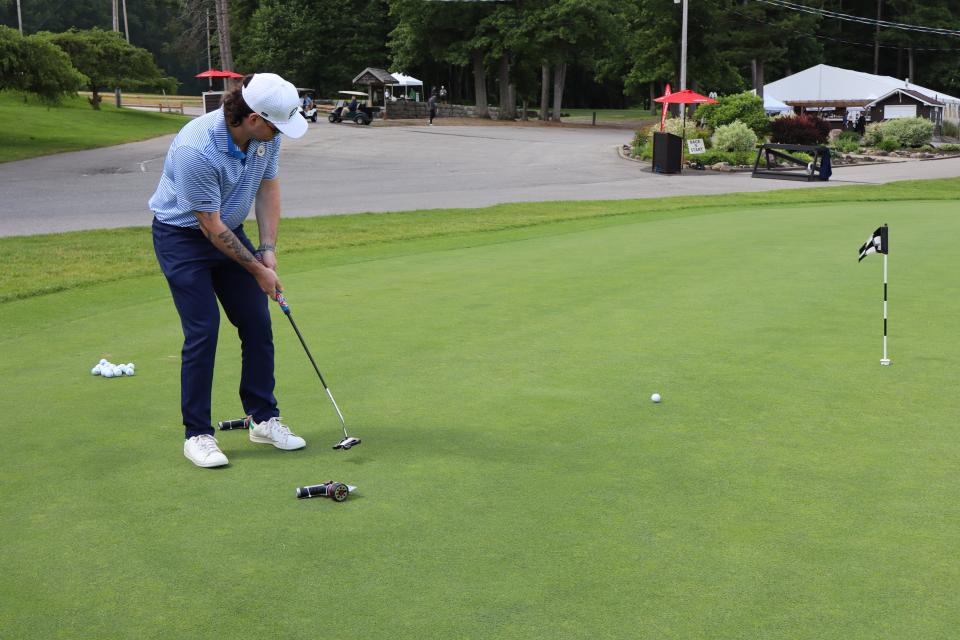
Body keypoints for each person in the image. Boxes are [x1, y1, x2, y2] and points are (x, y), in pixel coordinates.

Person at [149, 72, 309, 468]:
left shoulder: (265, 138)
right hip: (182, 237)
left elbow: (268, 188)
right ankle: (198, 435)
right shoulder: (196, 148)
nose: (280, 134)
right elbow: (209, 224)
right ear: (253, 118)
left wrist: (268, 249)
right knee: (203, 330)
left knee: (257, 323)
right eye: (276, 126)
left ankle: (263, 418)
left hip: (228, 230)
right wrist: (258, 270)